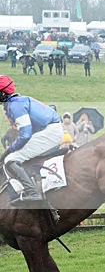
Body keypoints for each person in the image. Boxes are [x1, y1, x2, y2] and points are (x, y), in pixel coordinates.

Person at [0, 75, 63, 205]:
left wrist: (8, 151)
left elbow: (25, 134)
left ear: (2, 93)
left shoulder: (14, 105)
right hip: (49, 130)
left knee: (10, 159)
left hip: (50, 132)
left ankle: (33, 193)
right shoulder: (16, 101)